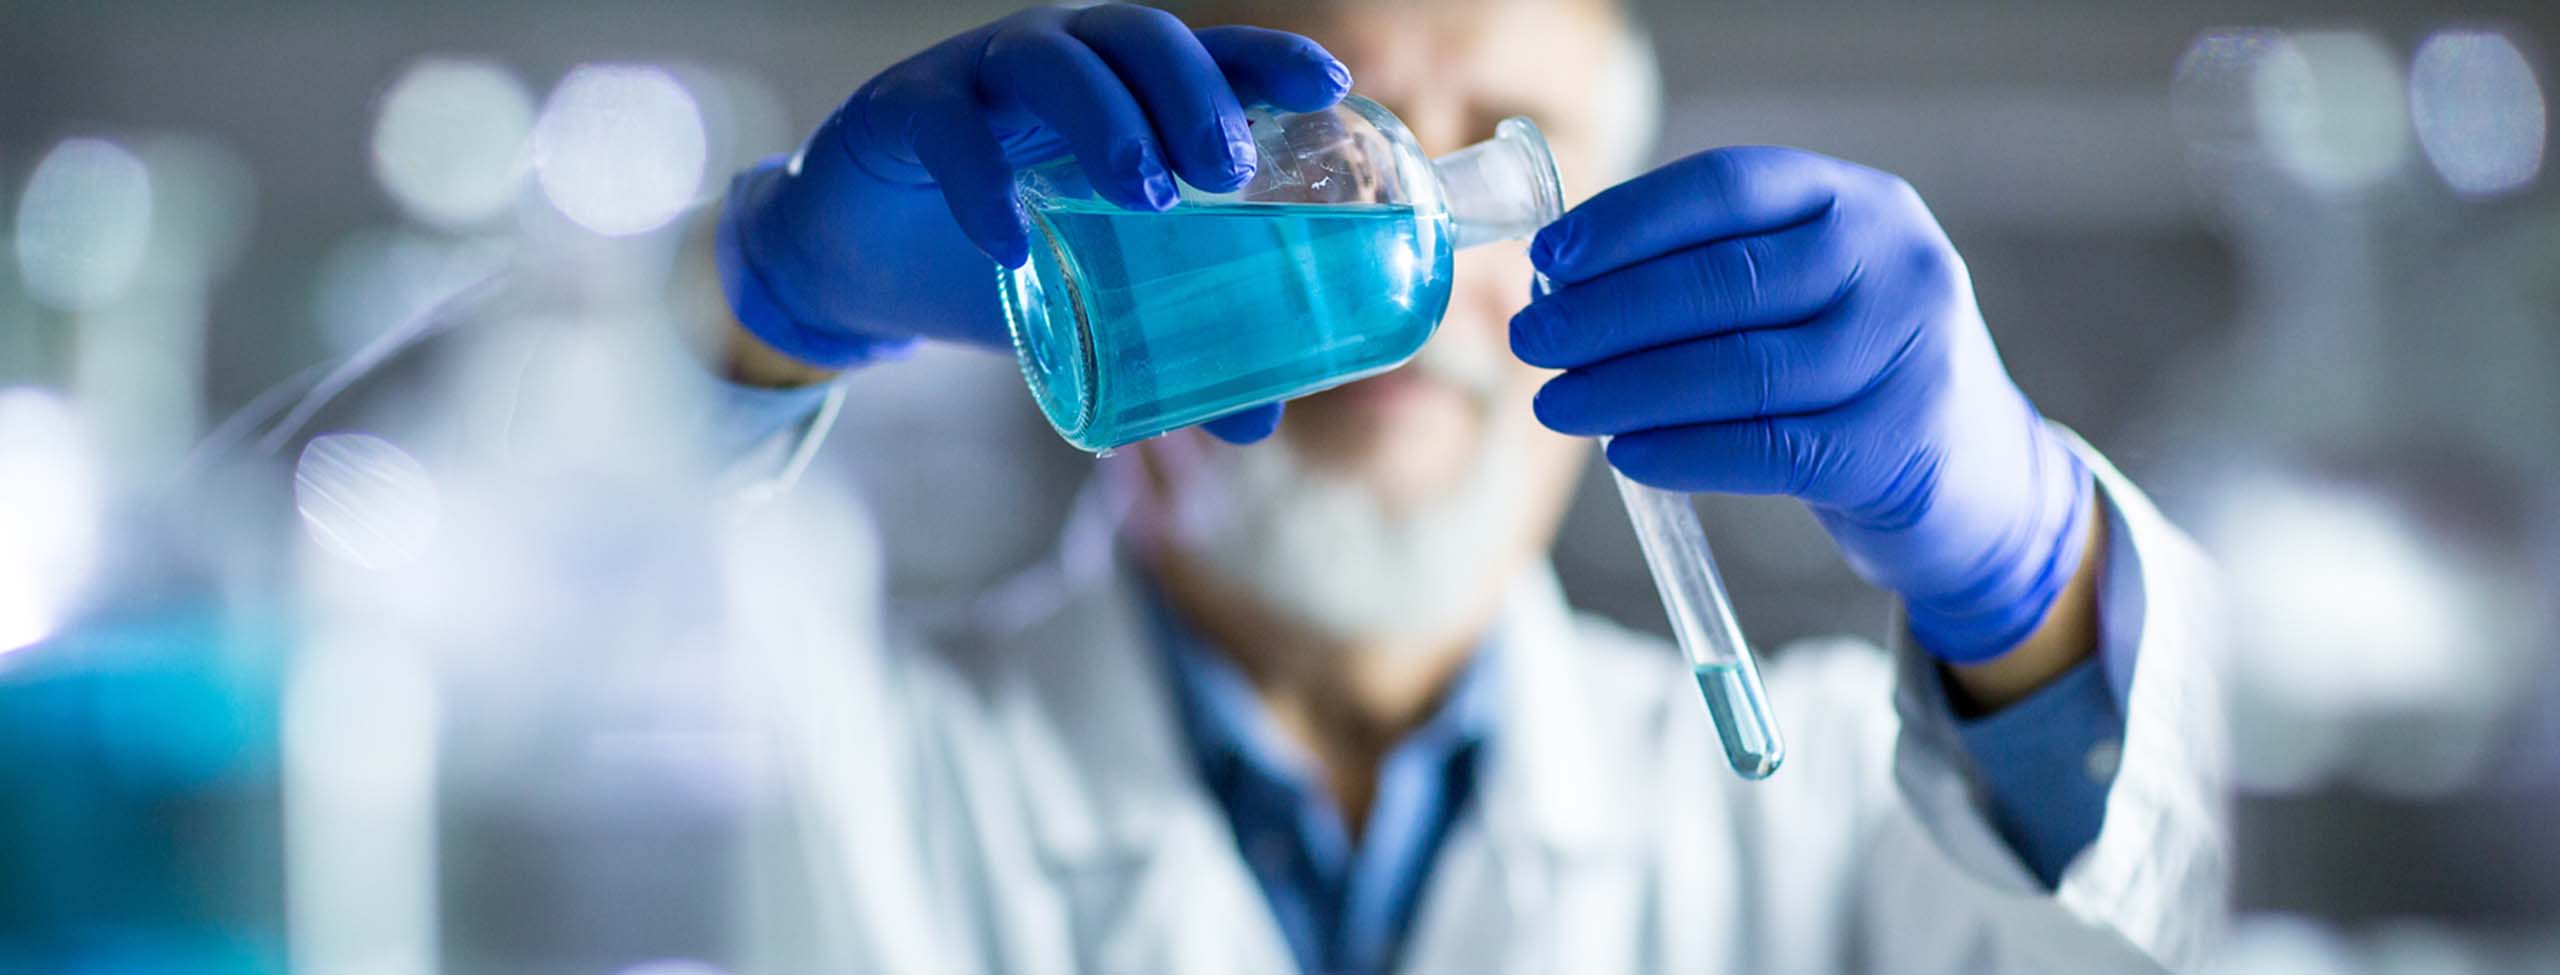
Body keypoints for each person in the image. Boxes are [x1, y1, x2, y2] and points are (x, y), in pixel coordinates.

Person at [643, 0, 2219, 970]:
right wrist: (755, 320)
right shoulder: (821, 768)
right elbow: (432, 635)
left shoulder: (1807, 821)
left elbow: (2211, 931)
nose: (1414, 258)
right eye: (1321, 161)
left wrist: (2033, 589)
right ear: (1133, 194)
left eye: (1506, 145)